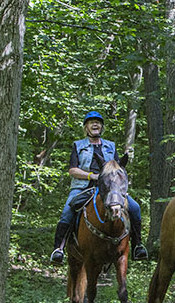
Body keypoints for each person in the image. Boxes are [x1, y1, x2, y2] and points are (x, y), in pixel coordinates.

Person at [50, 111, 148, 264]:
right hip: (83, 187)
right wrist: (92, 176)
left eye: (98, 122)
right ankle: (59, 249)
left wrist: (121, 187)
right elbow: (72, 170)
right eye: (91, 122)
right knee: (67, 211)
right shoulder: (78, 145)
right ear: (86, 127)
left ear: (102, 127)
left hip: (109, 189)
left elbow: (118, 168)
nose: (95, 124)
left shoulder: (110, 146)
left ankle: (137, 246)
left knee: (134, 208)